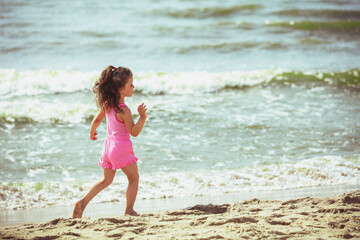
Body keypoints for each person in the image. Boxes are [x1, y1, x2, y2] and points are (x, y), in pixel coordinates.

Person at [72, 65, 147, 218]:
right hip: (121, 147)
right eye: (130, 84)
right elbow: (134, 132)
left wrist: (92, 131)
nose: (133, 87)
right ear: (120, 89)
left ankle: (82, 203)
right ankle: (129, 210)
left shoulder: (107, 105)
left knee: (106, 180)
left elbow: (97, 119)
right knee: (134, 178)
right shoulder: (124, 110)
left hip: (107, 147)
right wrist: (142, 117)